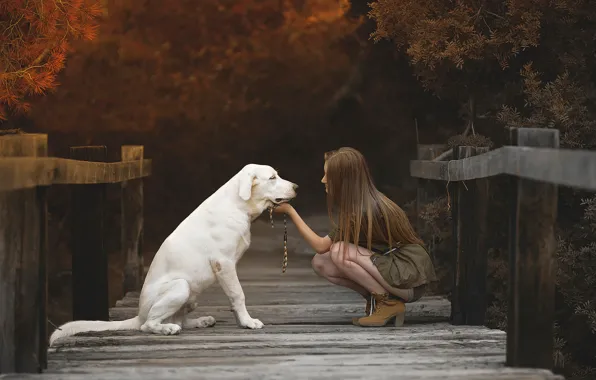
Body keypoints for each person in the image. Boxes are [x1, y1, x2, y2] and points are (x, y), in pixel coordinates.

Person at [273, 147, 437, 327]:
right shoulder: (358, 205)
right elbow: (322, 254)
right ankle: (379, 300)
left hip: (408, 280)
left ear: (344, 180)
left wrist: (290, 211)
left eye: (328, 174)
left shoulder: (364, 210)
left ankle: (387, 303)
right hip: (396, 273)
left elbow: (321, 245)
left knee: (338, 251)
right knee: (321, 262)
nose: (323, 180)